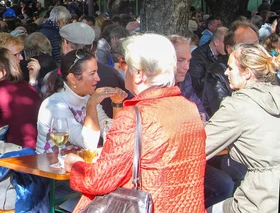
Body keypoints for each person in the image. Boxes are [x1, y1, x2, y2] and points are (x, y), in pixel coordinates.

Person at [64, 33, 206, 212]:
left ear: (138, 74)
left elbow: (98, 180)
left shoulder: (134, 115)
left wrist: (74, 165)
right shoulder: (189, 108)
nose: (123, 70)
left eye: (125, 65)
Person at [205, 43, 280, 213]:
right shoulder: (276, 93)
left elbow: (199, 147)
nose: (226, 72)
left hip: (262, 198)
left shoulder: (238, 106)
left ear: (246, 73)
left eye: (230, 68)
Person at [169, 35, 234, 209]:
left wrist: (201, 121)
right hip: (170, 162)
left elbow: (198, 108)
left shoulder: (185, 79)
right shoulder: (153, 86)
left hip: (191, 154)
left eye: (189, 61)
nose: (186, 67)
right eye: (180, 61)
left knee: (226, 184)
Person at [36, 50, 126, 153]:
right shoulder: (55, 105)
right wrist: (92, 104)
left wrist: (117, 103)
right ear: (73, 78)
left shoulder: (87, 98)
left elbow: (113, 134)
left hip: (74, 165)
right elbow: (89, 143)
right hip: (48, 166)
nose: (98, 78)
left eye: (97, 72)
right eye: (92, 73)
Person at [190, 27, 228, 98]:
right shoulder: (198, 56)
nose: (228, 47)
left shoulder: (225, 56)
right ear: (216, 42)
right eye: (226, 44)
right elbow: (198, 83)